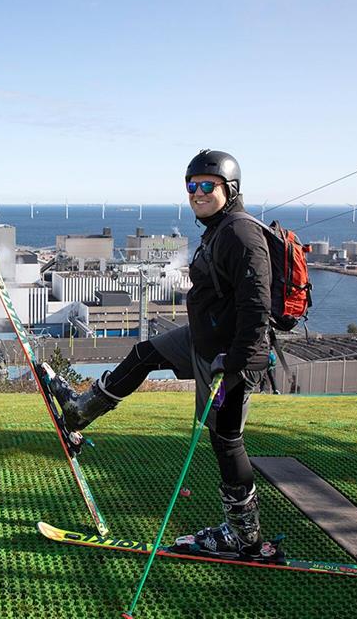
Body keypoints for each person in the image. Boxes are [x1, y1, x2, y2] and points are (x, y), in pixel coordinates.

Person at [50, 149, 274, 559]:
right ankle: (81, 411)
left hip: (230, 359)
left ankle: (245, 537)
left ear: (231, 189)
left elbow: (258, 306)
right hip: (202, 340)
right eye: (192, 186)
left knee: (226, 441)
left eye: (208, 185)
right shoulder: (218, 229)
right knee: (144, 353)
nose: (198, 192)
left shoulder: (241, 233)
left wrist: (237, 361)